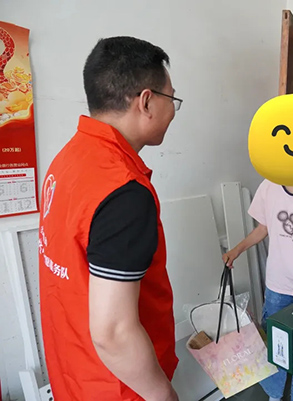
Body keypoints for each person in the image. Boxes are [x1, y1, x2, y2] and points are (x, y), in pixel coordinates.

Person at [39, 37, 182, 401]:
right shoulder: (123, 191)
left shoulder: (66, 161)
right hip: (119, 388)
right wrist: (163, 396)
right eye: (171, 99)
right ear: (146, 101)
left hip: (74, 372)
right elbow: (113, 333)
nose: (173, 111)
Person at [223, 179, 293, 401]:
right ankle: (274, 395)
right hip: (277, 285)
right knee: (274, 347)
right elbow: (263, 228)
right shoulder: (269, 185)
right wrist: (236, 250)